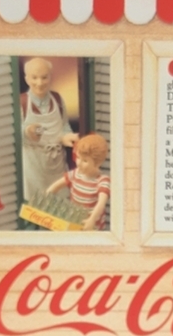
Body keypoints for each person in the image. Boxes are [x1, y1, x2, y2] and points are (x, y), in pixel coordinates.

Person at [21, 58, 78, 200]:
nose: (39, 83)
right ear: (27, 79)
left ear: (50, 77)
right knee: (37, 204)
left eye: (44, 77)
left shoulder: (57, 99)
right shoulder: (22, 102)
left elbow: (64, 125)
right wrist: (28, 131)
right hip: (34, 166)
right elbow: (15, 133)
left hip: (57, 165)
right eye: (34, 78)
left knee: (60, 202)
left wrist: (66, 136)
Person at [46, 133, 110, 231]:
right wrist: (47, 197)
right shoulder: (75, 174)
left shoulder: (102, 181)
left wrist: (92, 220)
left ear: (97, 163)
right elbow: (55, 187)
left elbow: (101, 203)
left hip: (92, 228)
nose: (79, 163)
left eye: (85, 161)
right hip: (74, 222)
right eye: (78, 157)